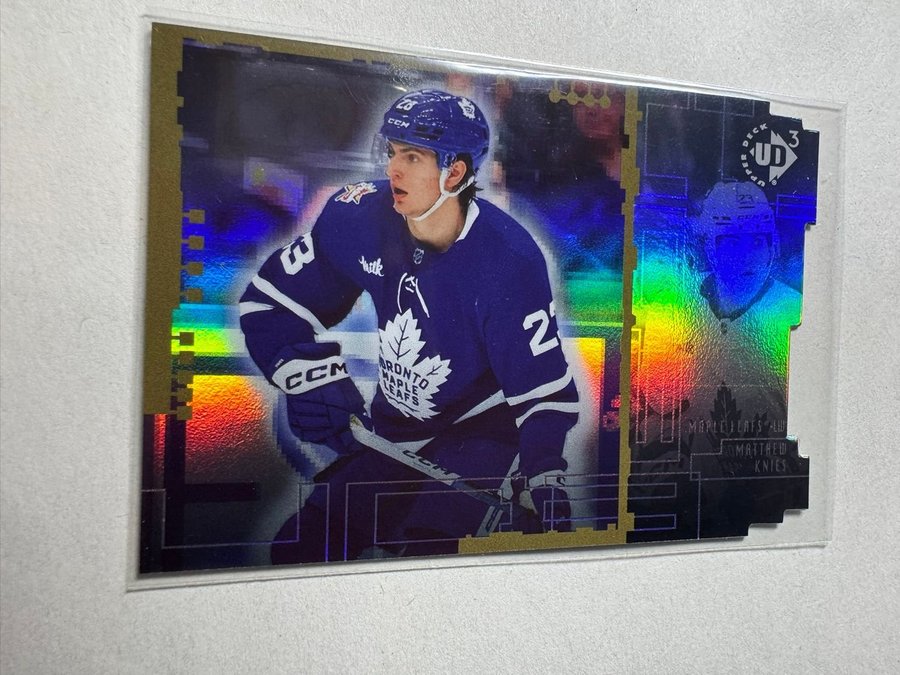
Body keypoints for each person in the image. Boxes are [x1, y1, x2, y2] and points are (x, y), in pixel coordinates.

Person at [239, 90, 580, 561]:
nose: (393, 169)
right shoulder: (357, 216)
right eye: (392, 151)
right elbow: (269, 303)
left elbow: (543, 393)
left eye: (413, 157)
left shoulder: (509, 262)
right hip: (393, 431)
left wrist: (543, 473)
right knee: (299, 549)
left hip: (480, 434)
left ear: (454, 173)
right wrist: (303, 373)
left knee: (426, 563)